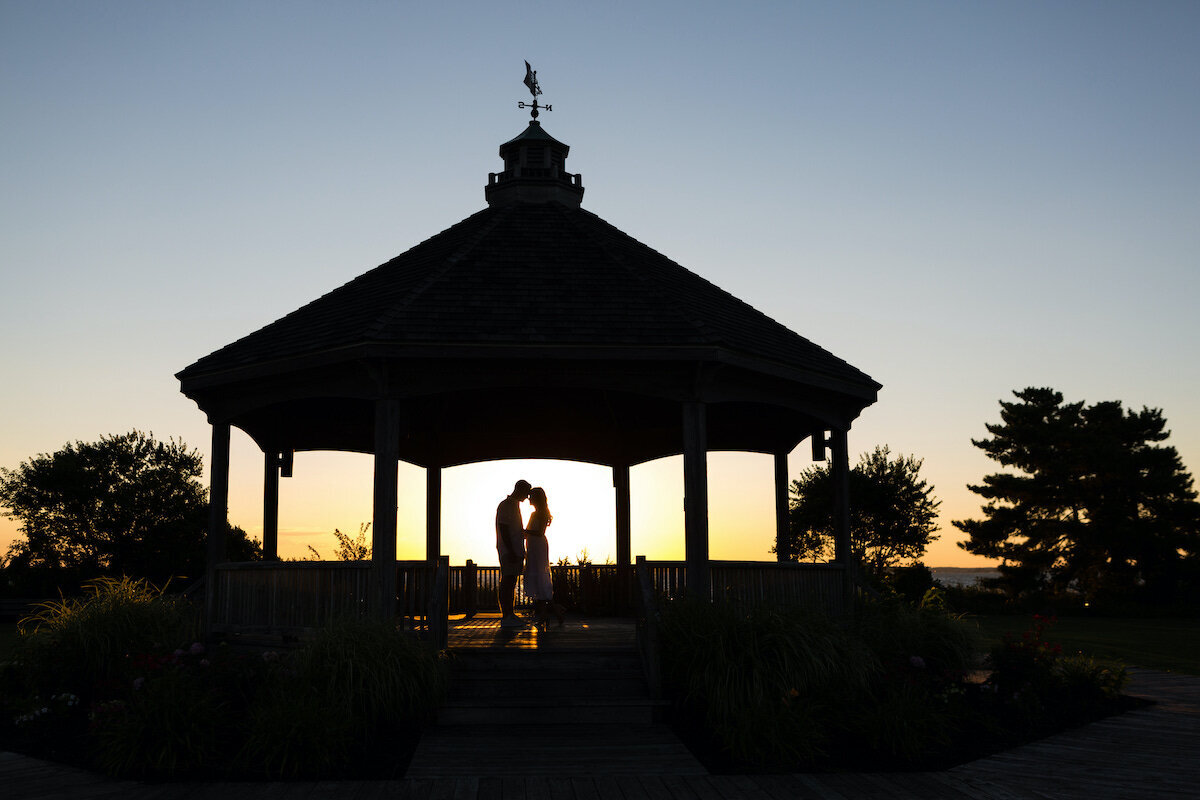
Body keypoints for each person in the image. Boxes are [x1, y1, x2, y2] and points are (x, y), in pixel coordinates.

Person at [524, 487, 565, 627]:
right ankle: (548, 613)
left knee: (540, 577)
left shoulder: (539, 514)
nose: (528, 499)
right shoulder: (536, 513)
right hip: (534, 546)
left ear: (536, 498)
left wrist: (524, 531)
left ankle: (549, 613)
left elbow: (539, 532)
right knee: (538, 578)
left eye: (531, 496)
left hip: (538, 546)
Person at [496, 479, 531, 627]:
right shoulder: (506, 505)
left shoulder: (514, 505)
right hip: (509, 551)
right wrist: (510, 550)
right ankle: (506, 616)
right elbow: (503, 529)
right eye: (526, 493)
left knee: (511, 582)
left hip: (515, 551)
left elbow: (513, 530)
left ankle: (510, 614)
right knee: (507, 582)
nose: (527, 497)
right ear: (520, 490)